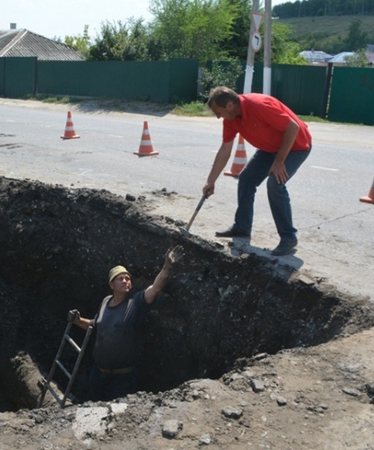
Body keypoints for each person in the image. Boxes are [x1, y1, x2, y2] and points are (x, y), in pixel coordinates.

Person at [203, 86, 312, 256]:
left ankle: (289, 237)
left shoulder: (258, 105)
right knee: (246, 179)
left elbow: (293, 127)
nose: (218, 116)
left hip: (296, 146)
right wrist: (211, 180)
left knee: (275, 184)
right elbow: (225, 150)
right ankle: (242, 228)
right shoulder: (231, 119)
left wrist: (279, 161)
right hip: (270, 149)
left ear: (230, 105)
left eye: (218, 112)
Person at [67, 245, 184, 402]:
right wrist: (77, 320)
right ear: (111, 285)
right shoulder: (105, 302)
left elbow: (156, 288)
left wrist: (167, 267)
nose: (125, 281)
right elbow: (96, 326)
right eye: (120, 278)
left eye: (128, 278)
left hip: (122, 380)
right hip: (98, 374)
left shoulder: (135, 303)